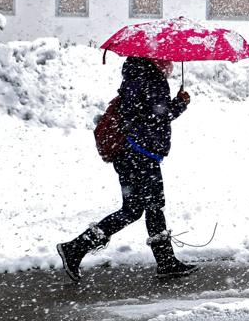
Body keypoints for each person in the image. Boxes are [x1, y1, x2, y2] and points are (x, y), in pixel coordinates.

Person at [57, 57, 197, 281]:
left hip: (128, 153)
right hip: (142, 154)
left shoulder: (133, 77)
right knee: (153, 205)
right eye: (167, 59)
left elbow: (142, 113)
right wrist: (180, 103)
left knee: (132, 209)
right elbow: (156, 117)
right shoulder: (153, 80)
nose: (170, 64)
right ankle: (166, 262)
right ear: (157, 59)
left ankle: (76, 248)